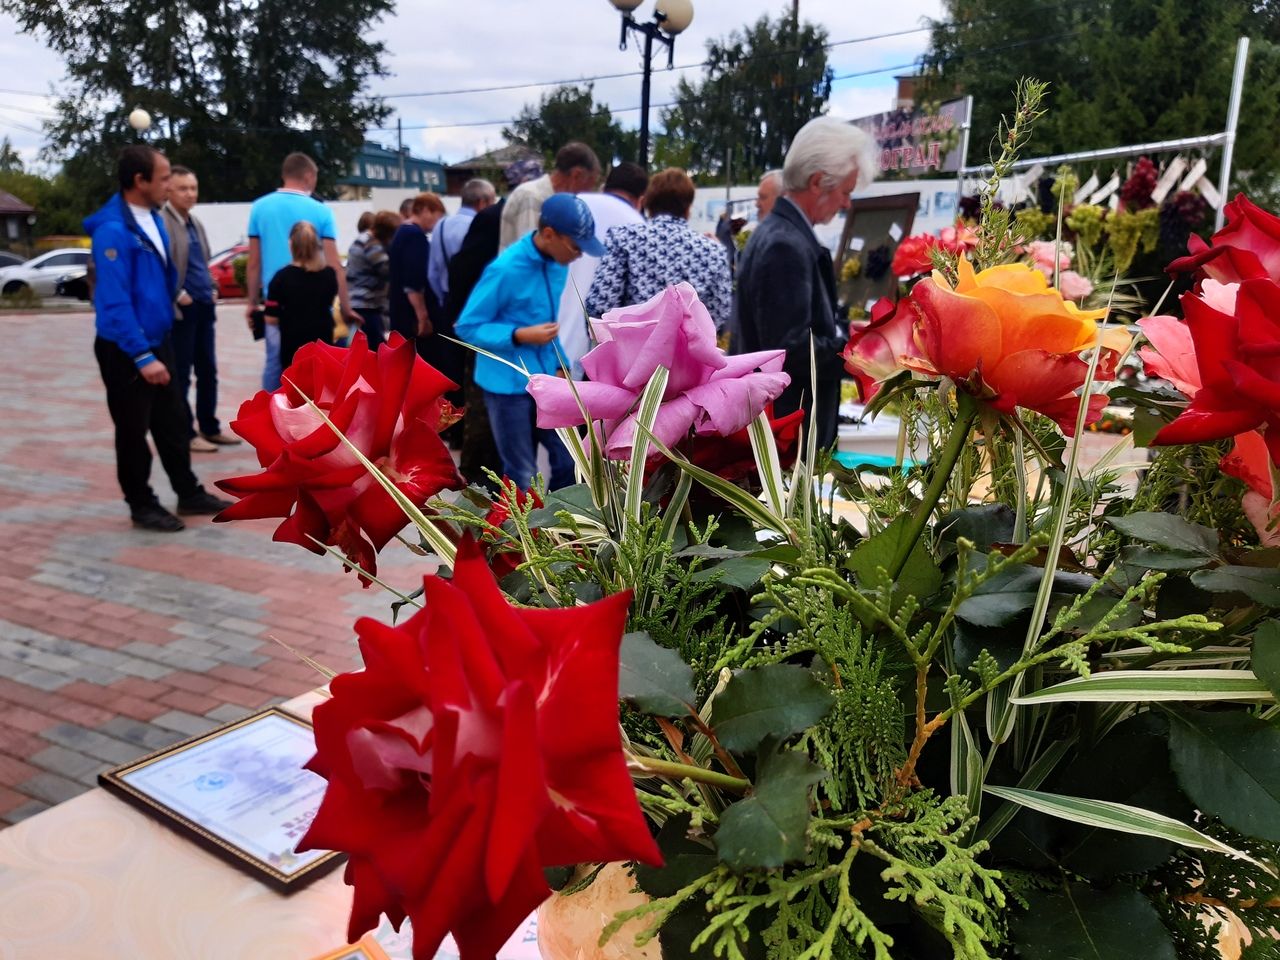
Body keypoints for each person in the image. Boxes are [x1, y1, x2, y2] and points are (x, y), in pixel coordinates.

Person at [85, 145, 232, 532]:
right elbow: (113, 302)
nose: (170, 184)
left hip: (159, 337)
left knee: (174, 420)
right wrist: (142, 357)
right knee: (133, 431)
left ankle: (187, 492)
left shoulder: (151, 219)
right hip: (126, 348)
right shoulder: (114, 230)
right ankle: (141, 503)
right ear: (140, 180)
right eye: (164, 177)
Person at [736, 118, 876, 449]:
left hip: (781, 425)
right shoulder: (786, 243)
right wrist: (857, 351)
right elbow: (792, 350)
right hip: (787, 432)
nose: (847, 204)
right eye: (845, 192)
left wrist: (846, 336)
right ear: (817, 182)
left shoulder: (779, 233)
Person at [455, 194, 603, 491]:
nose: (578, 256)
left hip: (544, 376)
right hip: (506, 385)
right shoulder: (506, 269)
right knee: (521, 470)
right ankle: (525, 534)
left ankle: (561, 526)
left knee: (569, 459)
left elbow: (547, 324)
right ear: (549, 235)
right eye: (575, 247)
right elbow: (467, 326)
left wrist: (559, 364)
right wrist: (518, 335)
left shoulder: (557, 265)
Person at [245, 152, 356, 390]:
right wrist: (346, 308)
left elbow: (254, 262)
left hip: (277, 304)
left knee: (275, 363)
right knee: (319, 364)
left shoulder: (259, 208)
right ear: (309, 176)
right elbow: (335, 264)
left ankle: (272, 412)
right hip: (317, 305)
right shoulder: (321, 211)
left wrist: (252, 303)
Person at [586, 167, 733, 331]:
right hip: (686, 352)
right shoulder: (713, 252)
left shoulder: (623, 238)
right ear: (688, 208)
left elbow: (600, 305)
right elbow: (719, 312)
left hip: (631, 350)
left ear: (646, 203)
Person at [161, 164, 238, 452]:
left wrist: (212, 285)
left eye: (193, 188)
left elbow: (202, 262)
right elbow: (160, 267)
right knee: (181, 373)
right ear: (169, 189)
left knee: (208, 370)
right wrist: (178, 293)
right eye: (183, 188)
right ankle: (185, 432)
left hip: (204, 305)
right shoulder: (164, 222)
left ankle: (210, 427)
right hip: (182, 309)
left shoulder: (194, 222)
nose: (190, 194)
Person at [556, 161, 647, 379]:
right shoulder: (637, 225)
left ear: (605, 185)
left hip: (542, 338)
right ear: (641, 199)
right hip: (592, 349)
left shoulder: (571, 204)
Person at [499, 142, 600, 251]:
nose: (589, 191)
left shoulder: (552, 201)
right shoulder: (532, 197)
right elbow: (531, 253)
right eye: (591, 183)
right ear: (576, 175)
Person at [265, 221, 339, 369]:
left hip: (293, 344)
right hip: (323, 341)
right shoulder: (329, 274)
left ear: (291, 245)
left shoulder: (281, 277)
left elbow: (271, 318)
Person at [427, 177, 496, 308]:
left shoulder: (440, 225)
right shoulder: (481, 227)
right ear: (482, 203)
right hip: (477, 300)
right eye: (493, 202)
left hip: (449, 299)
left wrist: (443, 300)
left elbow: (432, 273)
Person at [347, 210, 398, 347]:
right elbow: (387, 269)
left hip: (360, 302)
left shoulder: (363, 239)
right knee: (375, 349)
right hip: (366, 304)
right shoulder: (371, 244)